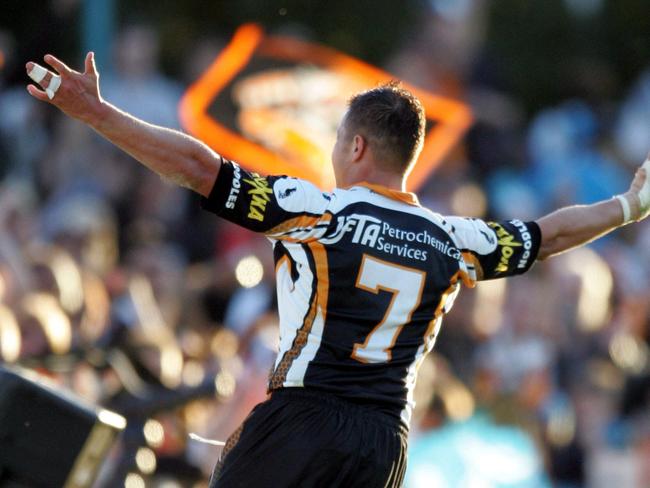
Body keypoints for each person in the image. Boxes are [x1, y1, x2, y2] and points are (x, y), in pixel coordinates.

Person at [25, 52, 650, 488]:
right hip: (383, 444)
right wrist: (627, 207)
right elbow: (548, 236)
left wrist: (98, 115)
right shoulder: (456, 238)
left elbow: (197, 166)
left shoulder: (315, 210)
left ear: (355, 146)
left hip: (304, 417)